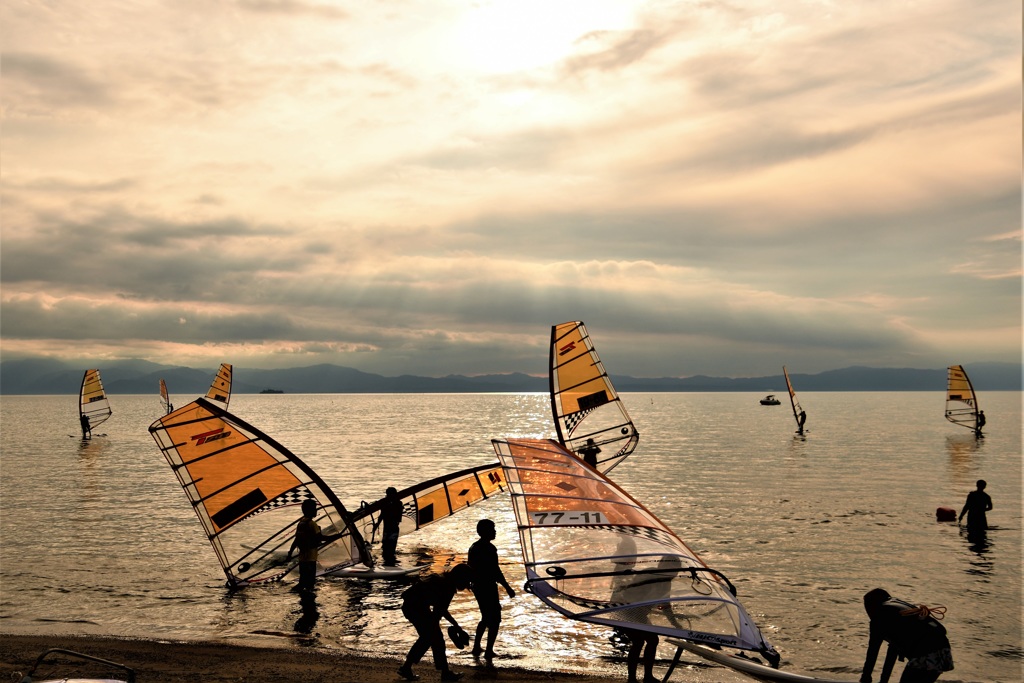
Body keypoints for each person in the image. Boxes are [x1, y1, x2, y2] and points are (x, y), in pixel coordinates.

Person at [398, 563, 474, 682]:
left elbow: (440, 609)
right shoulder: (447, 587)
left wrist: (456, 626)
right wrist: (456, 628)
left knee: (431, 638)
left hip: (414, 605)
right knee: (432, 638)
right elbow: (440, 611)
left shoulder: (444, 580)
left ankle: (409, 668)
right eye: (466, 581)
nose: (466, 585)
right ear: (460, 578)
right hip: (415, 607)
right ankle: (443, 673)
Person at [859, 588, 953, 683]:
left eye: (866, 607)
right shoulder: (897, 607)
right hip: (943, 650)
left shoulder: (879, 615)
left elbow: (873, 651)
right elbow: (892, 650)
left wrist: (865, 677)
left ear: (871, 605)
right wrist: (883, 681)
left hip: (925, 652)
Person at [467, 518, 516, 661]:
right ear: (485, 531)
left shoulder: (473, 547)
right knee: (495, 618)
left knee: (486, 616)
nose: (495, 531)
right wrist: (507, 588)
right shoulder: (489, 548)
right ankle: (488, 650)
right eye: (492, 529)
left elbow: (471, 569)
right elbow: (496, 571)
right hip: (487, 586)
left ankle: (477, 646)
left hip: (478, 586)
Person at [285, 499, 344, 593]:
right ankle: (308, 602)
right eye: (314, 509)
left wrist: (290, 553)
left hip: (302, 559)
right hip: (310, 559)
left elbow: (296, 540)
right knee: (310, 583)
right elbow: (320, 538)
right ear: (309, 510)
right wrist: (337, 536)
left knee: (302, 581)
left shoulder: (301, 523)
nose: (316, 511)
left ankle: (298, 596)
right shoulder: (312, 524)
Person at [373, 486, 403, 566]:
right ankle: (387, 561)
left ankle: (390, 562)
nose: (389, 496)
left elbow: (397, 517)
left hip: (393, 528)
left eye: (391, 494)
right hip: (387, 528)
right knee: (385, 546)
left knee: (391, 546)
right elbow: (382, 515)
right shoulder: (385, 502)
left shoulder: (398, 503)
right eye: (388, 494)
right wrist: (376, 525)